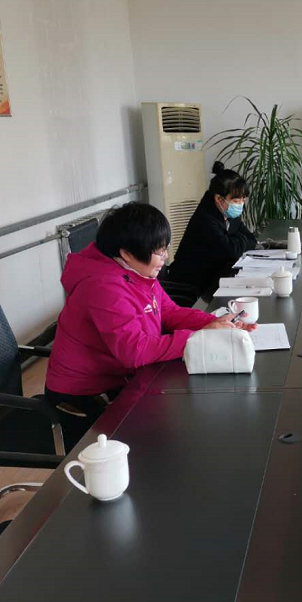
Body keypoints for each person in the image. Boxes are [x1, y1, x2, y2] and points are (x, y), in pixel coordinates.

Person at [45, 202, 252, 422]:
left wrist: (215, 322)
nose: (165, 257)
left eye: (165, 248)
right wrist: (200, 336)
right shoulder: (104, 286)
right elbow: (134, 350)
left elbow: (168, 312)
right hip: (83, 398)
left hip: (121, 379)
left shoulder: (135, 271)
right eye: (159, 252)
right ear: (126, 253)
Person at [166, 162, 258, 293]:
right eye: (236, 201)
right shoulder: (205, 219)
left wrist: (234, 241)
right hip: (191, 286)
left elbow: (251, 239)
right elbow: (230, 251)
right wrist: (238, 240)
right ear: (219, 199)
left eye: (243, 200)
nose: (241, 205)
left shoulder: (229, 213)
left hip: (215, 277)